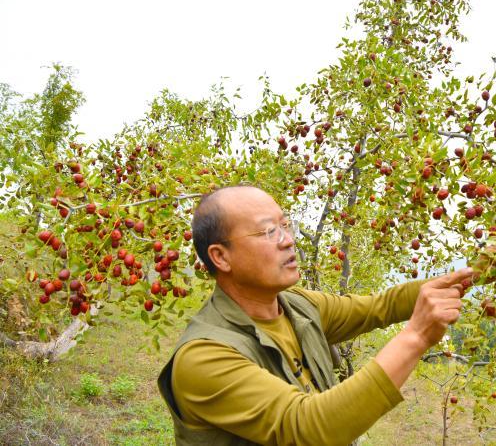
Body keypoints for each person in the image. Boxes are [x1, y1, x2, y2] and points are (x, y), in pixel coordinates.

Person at [158, 185, 474, 445]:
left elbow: (380, 307)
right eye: (268, 231)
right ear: (221, 257)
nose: (288, 240)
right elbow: (307, 427)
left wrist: (489, 268)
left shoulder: (296, 305)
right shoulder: (203, 358)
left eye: (285, 225)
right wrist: (416, 337)